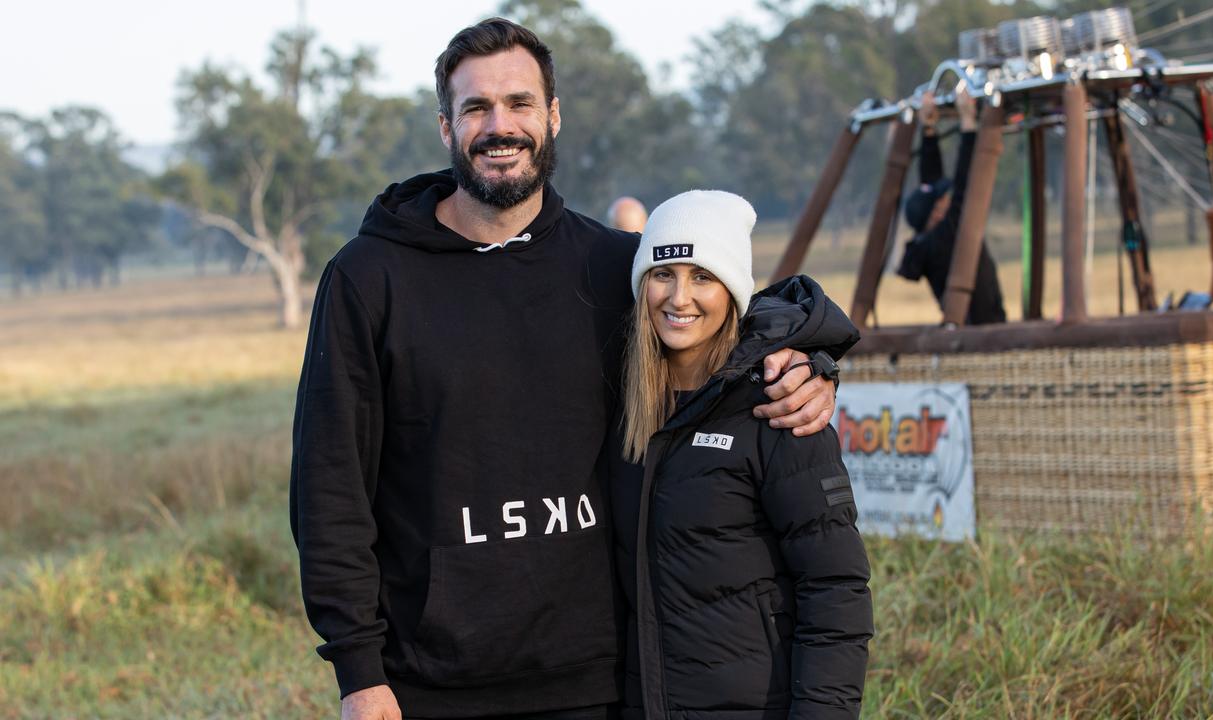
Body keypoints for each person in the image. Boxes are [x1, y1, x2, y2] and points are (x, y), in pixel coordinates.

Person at [289, 18, 840, 720]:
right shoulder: (369, 280)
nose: (500, 126)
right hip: (431, 681)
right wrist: (358, 674)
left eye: (520, 104)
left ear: (552, 116)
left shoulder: (615, 265)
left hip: (601, 676)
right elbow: (329, 485)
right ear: (445, 127)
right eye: (476, 108)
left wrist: (810, 362)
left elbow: (727, 325)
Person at [611, 190, 873, 720]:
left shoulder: (780, 405)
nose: (679, 297)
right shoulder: (624, 409)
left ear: (732, 292)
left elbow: (835, 589)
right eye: (663, 274)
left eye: (702, 277)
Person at [897, 88, 1007, 325]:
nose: (946, 198)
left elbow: (931, 178)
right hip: (983, 331)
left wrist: (928, 130)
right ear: (937, 212)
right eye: (941, 200)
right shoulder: (947, 235)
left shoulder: (931, 237)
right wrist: (968, 125)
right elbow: (965, 186)